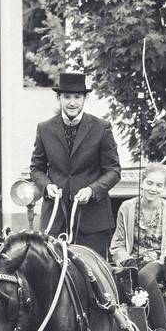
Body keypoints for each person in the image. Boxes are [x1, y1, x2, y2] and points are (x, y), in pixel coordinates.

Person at [29, 71, 121, 258]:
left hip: (92, 221)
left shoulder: (101, 128)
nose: (72, 102)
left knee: (91, 278)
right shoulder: (44, 128)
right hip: (55, 220)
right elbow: (36, 168)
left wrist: (93, 190)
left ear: (84, 98)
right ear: (59, 98)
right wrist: (47, 186)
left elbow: (114, 170)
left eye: (77, 97)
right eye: (67, 97)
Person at [109, 163, 166, 331]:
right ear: (142, 183)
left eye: (159, 185)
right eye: (150, 183)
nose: (153, 188)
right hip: (132, 262)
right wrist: (124, 259)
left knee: (144, 276)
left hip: (159, 262)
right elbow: (117, 244)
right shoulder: (126, 208)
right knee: (115, 279)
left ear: (163, 187)